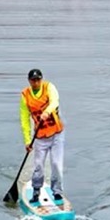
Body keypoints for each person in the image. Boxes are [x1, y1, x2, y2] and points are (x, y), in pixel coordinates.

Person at [21, 68, 65, 205]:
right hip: (40, 137)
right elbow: (24, 120)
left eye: (38, 80)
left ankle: (57, 191)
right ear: (29, 81)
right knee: (38, 165)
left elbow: (55, 102)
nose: (36, 83)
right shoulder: (25, 95)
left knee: (56, 164)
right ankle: (36, 190)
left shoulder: (49, 87)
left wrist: (46, 112)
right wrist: (28, 141)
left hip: (56, 134)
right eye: (33, 80)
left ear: (41, 79)